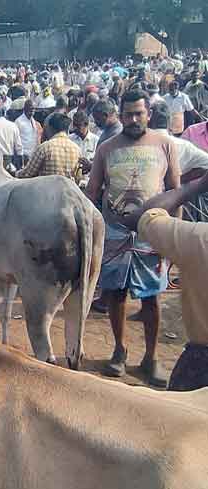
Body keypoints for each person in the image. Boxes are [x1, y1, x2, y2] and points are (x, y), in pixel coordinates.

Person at [86, 88, 181, 386]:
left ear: (148, 114)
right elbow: (93, 193)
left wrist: (174, 237)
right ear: (120, 115)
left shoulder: (165, 145)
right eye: (128, 114)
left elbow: (175, 192)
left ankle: (151, 358)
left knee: (152, 298)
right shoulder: (106, 148)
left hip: (153, 235)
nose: (133, 119)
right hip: (115, 235)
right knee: (115, 294)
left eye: (139, 113)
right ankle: (119, 350)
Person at [112, 170, 208, 389]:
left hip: (200, 370)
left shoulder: (198, 239)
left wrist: (194, 186)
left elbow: (142, 217)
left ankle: (143, 355)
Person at [17, 113, 80, 179]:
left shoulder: (44, 148)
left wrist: (14, 174)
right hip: (68, 189)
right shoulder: (77, 149)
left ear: (51, 128)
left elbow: (27, 173)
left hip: (45, 188)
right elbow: (78, 177)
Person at [69, 111, 99, 181]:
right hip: (72, 180)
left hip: (89, 179)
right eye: (74, 125)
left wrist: (90, 165)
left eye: (78, 125)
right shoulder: (70, 139)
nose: (75, 128)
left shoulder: (96, 141)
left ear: (86, 125)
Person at [15, 99, 41, 165]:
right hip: (23, 155)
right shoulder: (19, 122)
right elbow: (15, 140)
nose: (33, 110)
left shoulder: (34, 121)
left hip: (33, 155)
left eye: (34, 108)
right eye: (31, 108)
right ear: (25, 108)